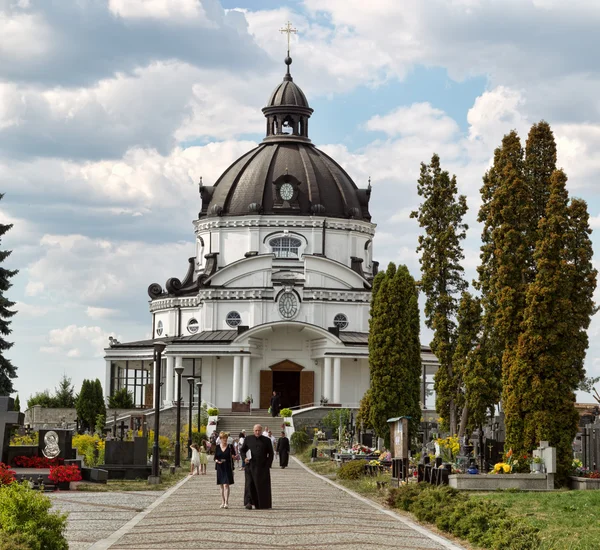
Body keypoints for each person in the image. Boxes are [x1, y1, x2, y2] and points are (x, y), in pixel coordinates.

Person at [240, 424, 274, 509]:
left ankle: (262, 503)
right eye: (256, 430)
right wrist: (244, 458)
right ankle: (249, 502)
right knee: (249, 484)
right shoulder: (248, 439)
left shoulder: (267, 440)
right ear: (253, 430)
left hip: (262, 467)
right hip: (250, 466)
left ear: (261, 431)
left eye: (259, 430)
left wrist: (268, 465)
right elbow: (242, 450)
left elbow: (271, 453)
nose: (257, 432)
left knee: (261, 485)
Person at [214, 431, 236, 509]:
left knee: (226, 484)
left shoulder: (230, 447)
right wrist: (217, 461)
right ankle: (222, 501)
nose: (225, 440)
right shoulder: (217, 447)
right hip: (220, 467)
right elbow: (215, 457)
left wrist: (234, 457)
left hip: (227, 467)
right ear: (220, 439)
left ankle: (226, 502)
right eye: (223, 438)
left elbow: (234, 456)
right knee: (221, 485)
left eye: (226, 438)